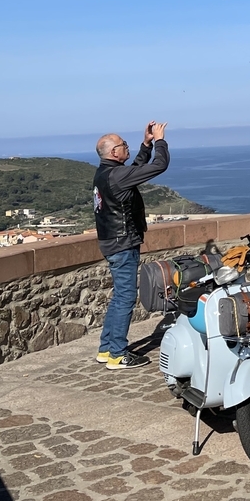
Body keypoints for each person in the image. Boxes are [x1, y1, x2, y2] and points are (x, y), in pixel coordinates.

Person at [93, 121, 169, 369]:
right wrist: (160, 141)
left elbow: (135, 170)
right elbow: (159, 165)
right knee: (126, 298)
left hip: (111, 241)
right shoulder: (117, 175)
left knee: (119, 297)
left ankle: (106, 349)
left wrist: (146, 145)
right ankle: (118, 354)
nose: (127, 147)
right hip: (122, 244)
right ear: (114, 152)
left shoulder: (105, 173)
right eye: (124, 144)